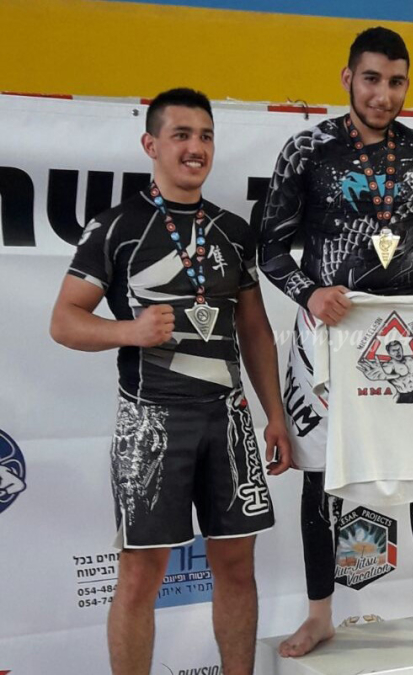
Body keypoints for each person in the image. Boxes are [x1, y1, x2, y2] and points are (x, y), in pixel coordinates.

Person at [259, 26, 413, 662]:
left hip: (405, 334)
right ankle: (319, 615)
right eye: (371, 79)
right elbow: (268, 247)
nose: (383, 94)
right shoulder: (307, 149)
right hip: (329, 331)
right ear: (347, 78)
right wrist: (308, 292)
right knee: (321, 473)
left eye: (396, 81)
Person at [50, 88, 292, 675]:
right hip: (151, 420)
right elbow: (64, 322)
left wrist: (276, 415)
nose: (195, 148)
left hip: (229, 419)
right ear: (151, 144)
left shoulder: (234, 230)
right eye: (181, 135)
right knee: (141, 574)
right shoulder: (115, 227)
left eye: (205, 136)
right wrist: (130, 332)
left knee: (236, 567)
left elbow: (255, 330)